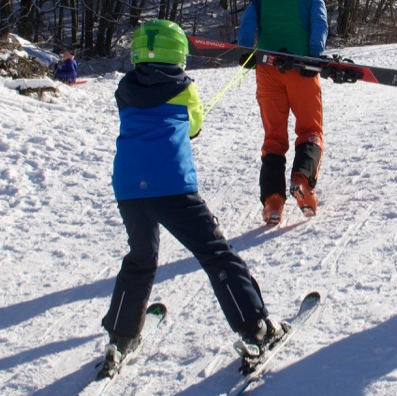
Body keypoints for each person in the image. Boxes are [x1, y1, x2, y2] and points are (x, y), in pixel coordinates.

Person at [103, 19, 283, 376]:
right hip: (171, 187)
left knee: (140, 258)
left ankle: (119, 338)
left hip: (128, 189)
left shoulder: (124, 88)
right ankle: (255, 329)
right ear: (178, 53)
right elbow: (194, 127)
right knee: (216, 254)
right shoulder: (184, 87)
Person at [237, 0, 329, 223]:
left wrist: (245, 51)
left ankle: (273, 202)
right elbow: (320, 23)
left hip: (267, 70)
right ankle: (302, 181)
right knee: (310, 130)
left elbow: (246, 28)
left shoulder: (260, 1)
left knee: (274, 138)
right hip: (301, 67)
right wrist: (313, 56)